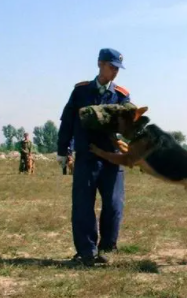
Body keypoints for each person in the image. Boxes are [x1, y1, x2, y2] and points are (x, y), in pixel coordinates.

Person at [57, 48, 132, 266]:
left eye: (118, 69)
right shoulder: (80, 92)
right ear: (100, 64)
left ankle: (107, 247)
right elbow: (67, 122)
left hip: (112, 158)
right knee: (82, 205)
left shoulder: (121, 94)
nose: (115, 72)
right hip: (87, 157)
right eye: (112, 67)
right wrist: (64, 150)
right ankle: (86, 251)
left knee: (114, 204)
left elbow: (131, 123)